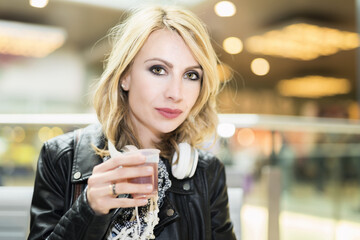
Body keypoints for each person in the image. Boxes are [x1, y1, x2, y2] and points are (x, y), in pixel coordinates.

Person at [28, 5, 236, 240]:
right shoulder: (62, 157)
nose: (176, 93)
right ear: (125, 75)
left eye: (191, 75)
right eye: (158, 69)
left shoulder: (207, 172)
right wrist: (87, 209)